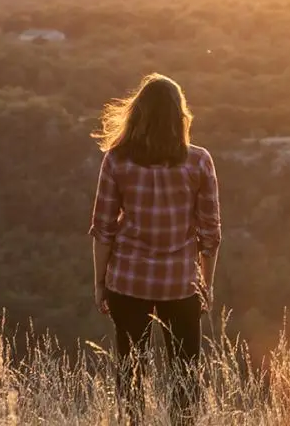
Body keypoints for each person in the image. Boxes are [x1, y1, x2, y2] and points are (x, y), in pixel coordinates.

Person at [89, 73, 222, 424]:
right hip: (180, 285)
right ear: (180, 116)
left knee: (130, 376)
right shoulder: (199, 161)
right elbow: (211, 235)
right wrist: (205, 283)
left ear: (138, 114)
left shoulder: (117, 160)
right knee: (185, 377)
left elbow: (102, 229)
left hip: (128, 282)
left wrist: (100, 282)